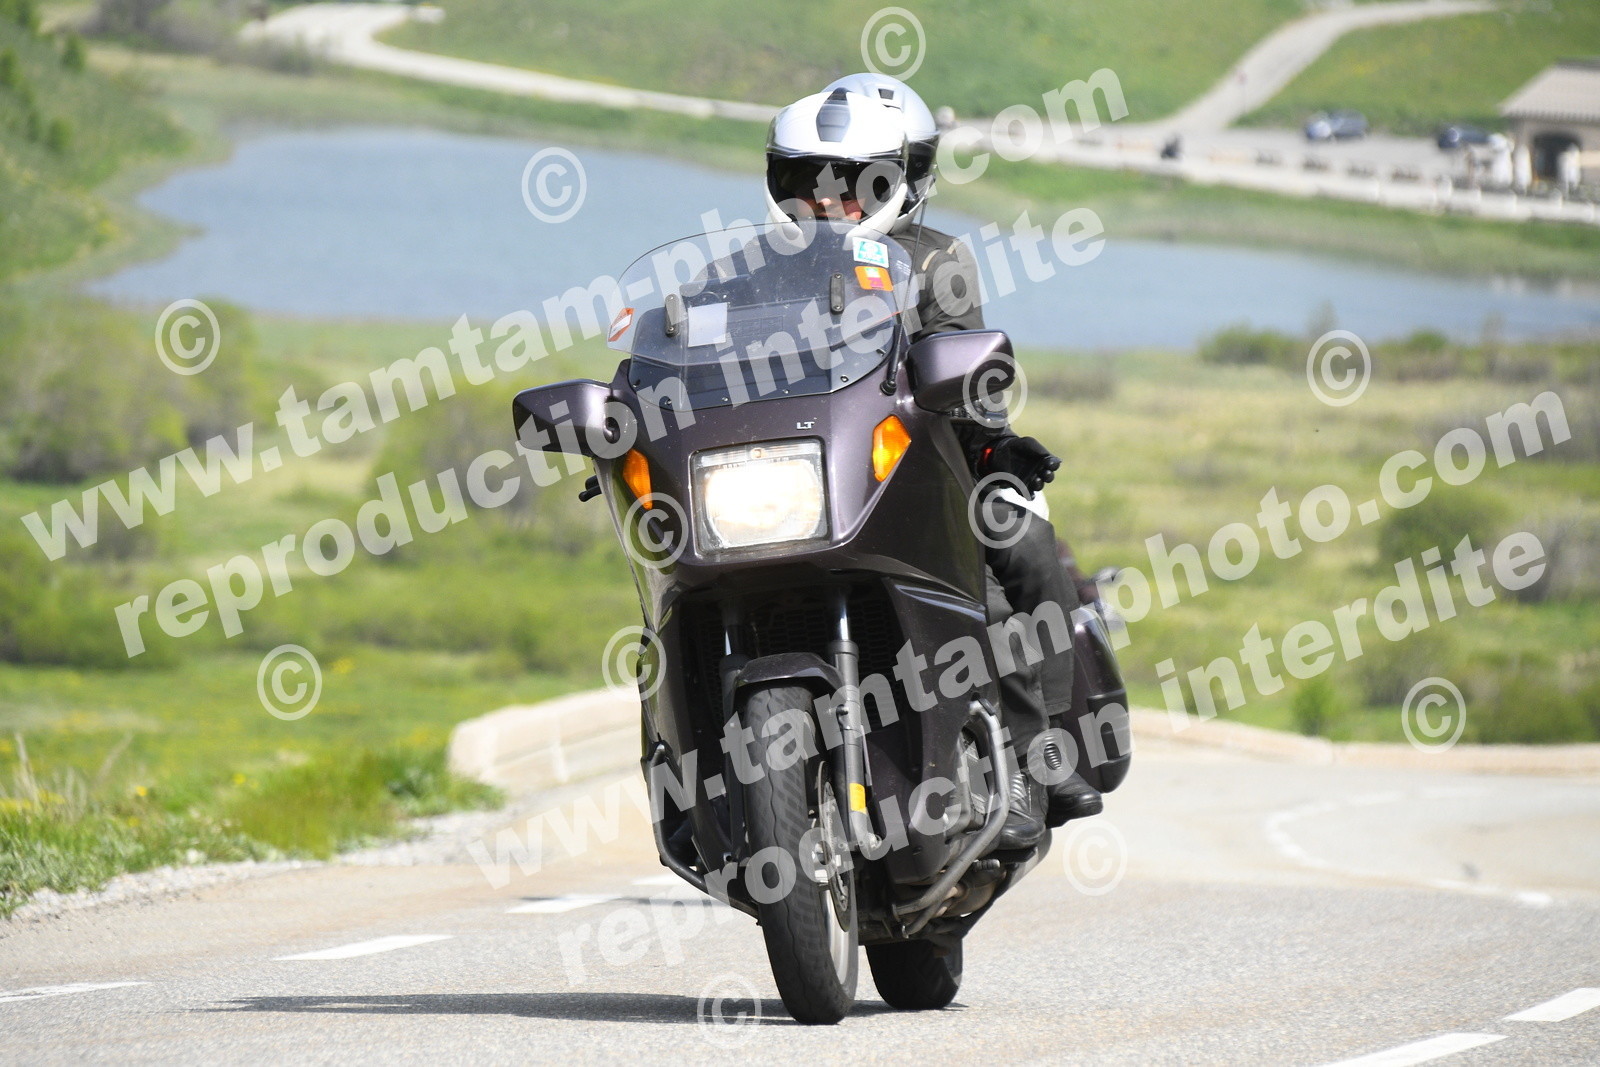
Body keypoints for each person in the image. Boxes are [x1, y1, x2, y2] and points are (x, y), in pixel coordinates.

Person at [765, 79, 1102, 850]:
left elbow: (965, 373)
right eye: (810, 182)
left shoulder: (935, 260)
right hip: (812, 474)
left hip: (922, 463)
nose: (830, 201)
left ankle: (1038, 753)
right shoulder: (759, 269)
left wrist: (991, 440)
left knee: (1019, 546)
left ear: (903, 181)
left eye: (855, 185)